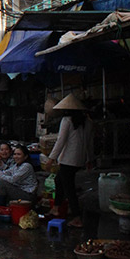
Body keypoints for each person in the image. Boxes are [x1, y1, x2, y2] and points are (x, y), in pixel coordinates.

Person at [47, 94, 94, 228]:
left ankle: (77, 217)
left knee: (69, 189)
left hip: (68, 159)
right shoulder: (88, 121)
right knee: (59, 180)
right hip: (79, 159)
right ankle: (56, 207)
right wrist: (90, 159)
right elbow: (90, 143)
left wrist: (51, 158)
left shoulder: (67, 121)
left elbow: (60, 141)